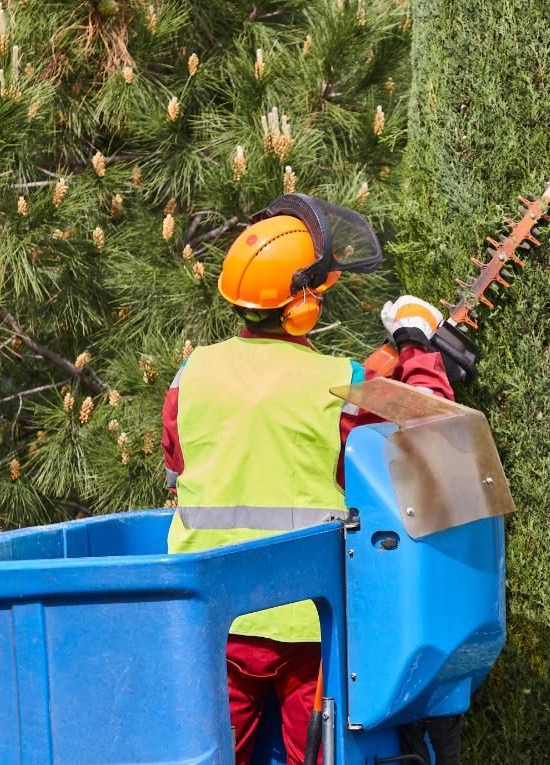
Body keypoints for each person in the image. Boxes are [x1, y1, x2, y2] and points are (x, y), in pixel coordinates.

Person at [161, 193, 453, 765]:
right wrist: (416, 344)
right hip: (306, 620)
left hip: (211, 616)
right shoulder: (333, 384)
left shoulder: (189, 374)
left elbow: (181, 466)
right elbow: (431, 421)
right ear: (301, 306)